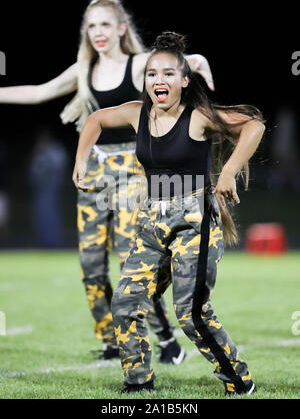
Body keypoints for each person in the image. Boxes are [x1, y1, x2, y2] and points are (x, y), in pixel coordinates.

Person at [0, 0, 215, 362]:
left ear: (120, 27)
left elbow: (188, 62)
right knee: (90, 263)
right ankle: (111, 342)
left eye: (104, 24)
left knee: (129, 259)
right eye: (91, 26)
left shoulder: (137, 65)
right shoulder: (83, 70)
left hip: (134, 170)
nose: (97, 32)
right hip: (97, 171)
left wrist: (203, 72)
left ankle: (165, 340)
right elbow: (38, 92)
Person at [73, 31, 265, 395]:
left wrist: (227, 172)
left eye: (167, 74)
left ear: (183, 81)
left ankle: (239, 382)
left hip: (194, 223)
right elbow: (95, 119)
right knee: (126, 303)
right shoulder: (136, 113)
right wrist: (80, 161)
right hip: (152, 222)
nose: (158, 80)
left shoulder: (198, 117)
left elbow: (253, 125)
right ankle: (138, 385)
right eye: (151, 74)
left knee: (191, 314)